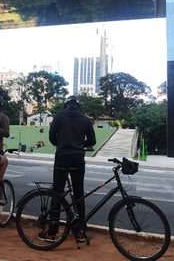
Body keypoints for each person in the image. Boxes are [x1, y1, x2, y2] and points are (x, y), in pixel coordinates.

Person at [44, 95, 96, 243]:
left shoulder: (59, 116)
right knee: (78, 193)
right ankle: (80, 231)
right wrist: (79, 145)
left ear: (66, 105)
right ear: (78, 106)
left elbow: (51, 136)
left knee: (57, 193)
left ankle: (53, 232)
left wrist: (61, 144)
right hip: (78, 158)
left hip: (62, 156)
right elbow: (92, 141)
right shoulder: (85, 119)